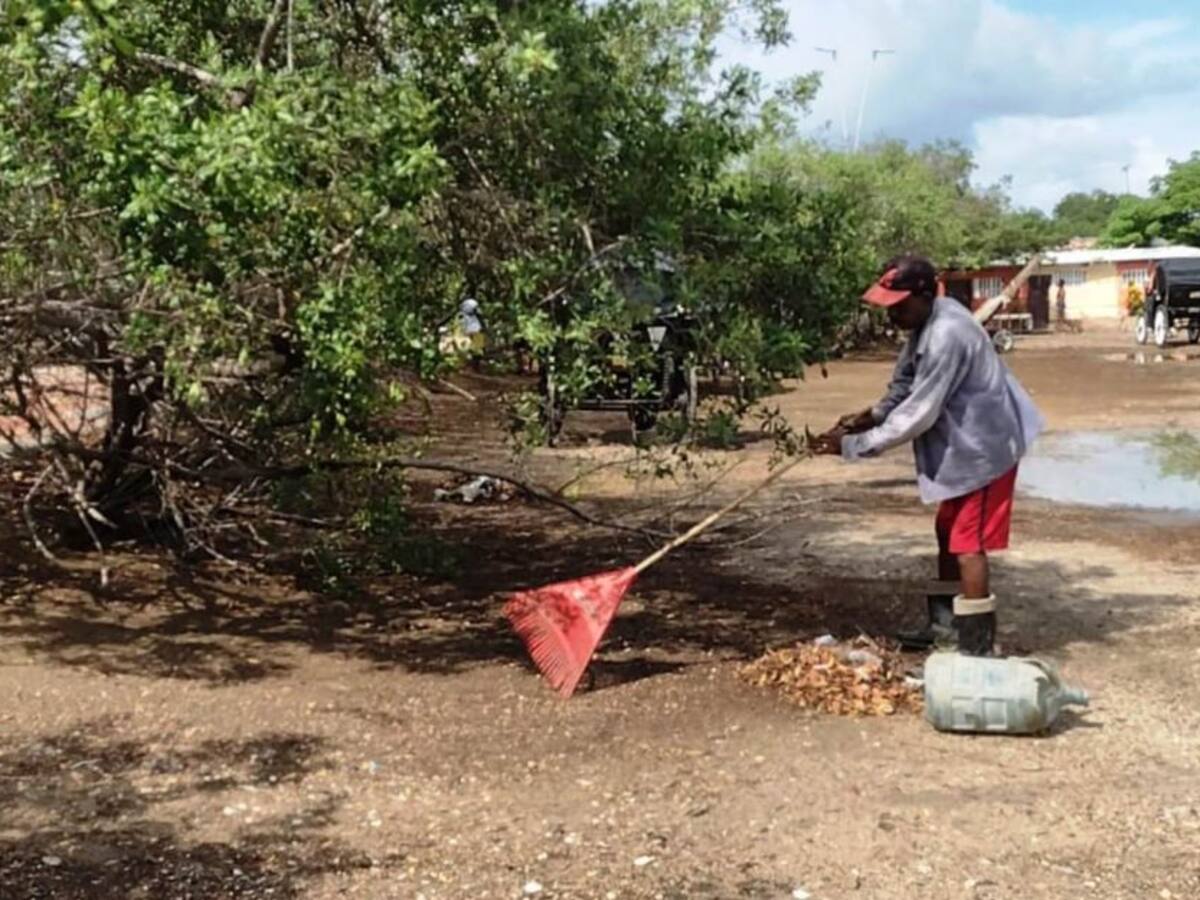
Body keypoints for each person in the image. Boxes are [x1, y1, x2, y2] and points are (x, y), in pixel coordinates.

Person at [812, 255, 1044, 656]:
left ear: (924, 295)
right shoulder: (926, 324)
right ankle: (947, 629)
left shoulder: (946, 334)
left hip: (984, 452)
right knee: (947, 533)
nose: (892, 315)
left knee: (967, 544)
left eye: (899, 305)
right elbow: (905, 383)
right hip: (961, 449)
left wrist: (852, 446)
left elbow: (919, 413)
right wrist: (870, 416)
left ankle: (975, 648)